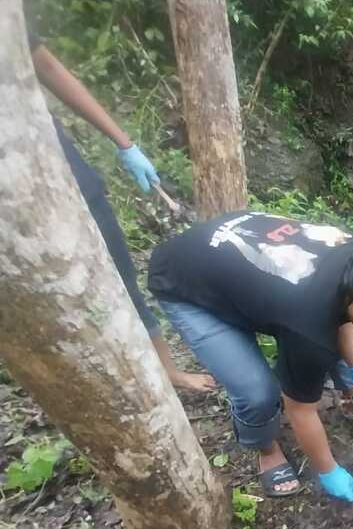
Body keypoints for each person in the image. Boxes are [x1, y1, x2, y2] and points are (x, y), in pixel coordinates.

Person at [148, 211, 353, 500]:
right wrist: (328, 469)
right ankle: (266, 449)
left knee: (324, 343)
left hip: (229, 258)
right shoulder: (309, 323)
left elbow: (343, 315)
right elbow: (300, 408)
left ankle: (352, 394)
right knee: (257, 391)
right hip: (186, 282)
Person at [26, 31, 213, 392]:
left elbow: (46, 64)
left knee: (122, 278)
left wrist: (125, 143)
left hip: (63, 171)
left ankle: (168, 372)